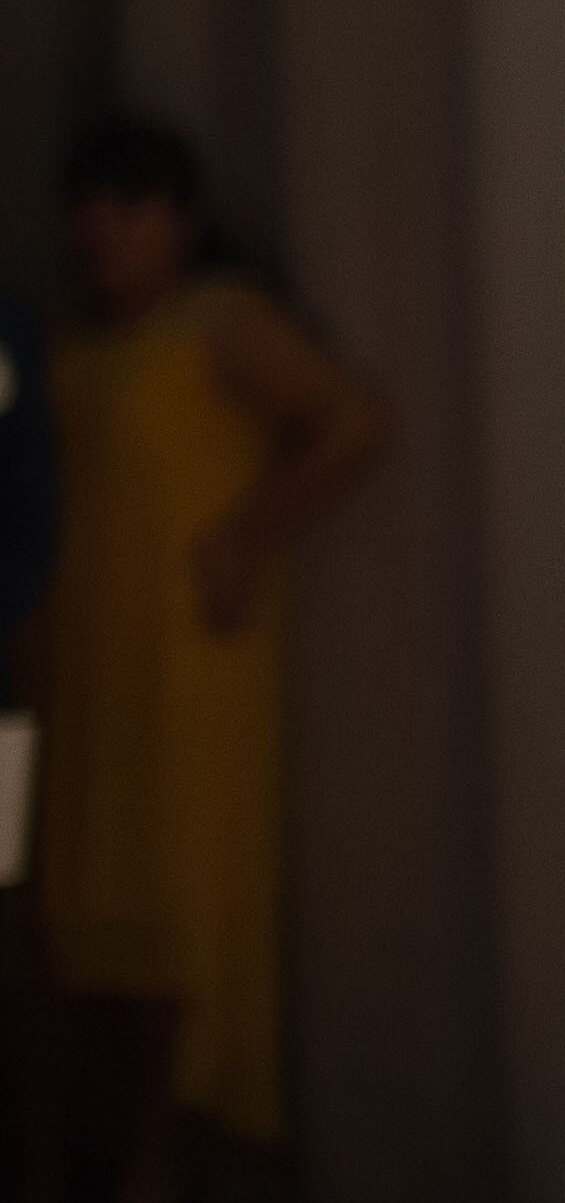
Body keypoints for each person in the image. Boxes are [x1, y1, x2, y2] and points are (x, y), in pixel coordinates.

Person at [35, 115, 381, 1196]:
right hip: (75, 664)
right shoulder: (67, 340)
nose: (103, 223)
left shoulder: (218, 320)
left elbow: (351, 422)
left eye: (131, 201)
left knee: (172, 923)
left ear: (183, 217)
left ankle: (158, 1165)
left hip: (181, 661)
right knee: (64, 930)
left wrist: (245, 537)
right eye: (88, 201)